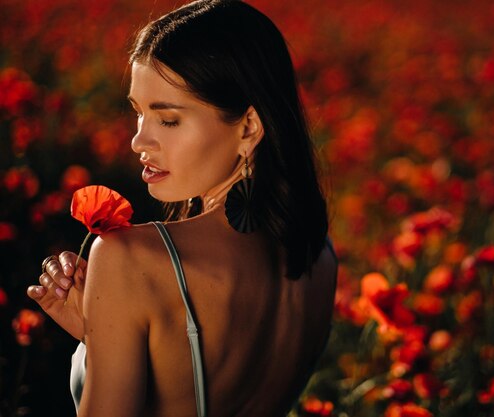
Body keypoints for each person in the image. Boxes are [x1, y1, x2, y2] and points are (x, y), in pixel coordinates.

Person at [26, 1, 338, 416]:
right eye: (138, 113)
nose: (139, 141)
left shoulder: (130, 259)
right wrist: (102, 331)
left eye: (168, 120)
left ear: (248, 127)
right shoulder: (320, 255)